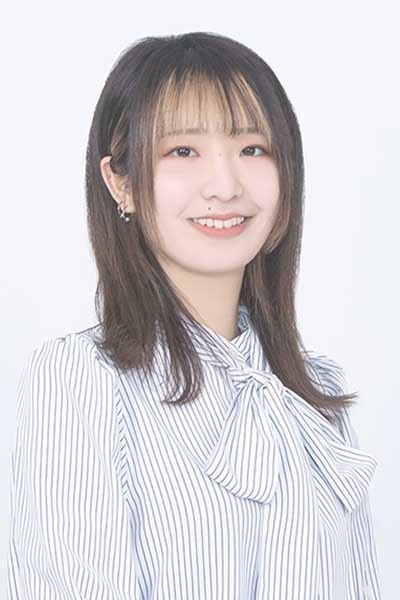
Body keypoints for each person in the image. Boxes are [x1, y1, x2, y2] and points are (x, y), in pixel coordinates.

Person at [6, 31, 381, 599]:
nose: (225, 186)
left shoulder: (314, 395)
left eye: (252, 149)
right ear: (121, 182)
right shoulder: (81, 380)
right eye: (183, 151)